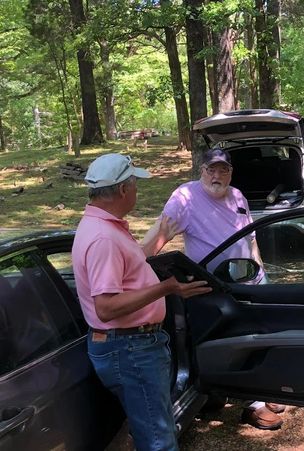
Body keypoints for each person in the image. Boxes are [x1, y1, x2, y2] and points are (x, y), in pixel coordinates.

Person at [72, 153, 212, 451]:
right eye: (135, 184)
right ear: (123, 190)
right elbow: (106, 307)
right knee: (157, 440)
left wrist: (159, 238)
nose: (138, 191)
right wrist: (167, 288)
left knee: (150, 429)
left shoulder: (104, 228)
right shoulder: (104, 239)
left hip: (130, 347)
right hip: (130, 350)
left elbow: (129, 270)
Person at [142, 148, 283, 431]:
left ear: (231, 172)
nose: (217, 176)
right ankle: (249, 404)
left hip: (249, 280)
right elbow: (157, 236)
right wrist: (138, 265)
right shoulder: (185, 197)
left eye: (223, 170)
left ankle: (259, 391)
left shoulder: (238, 196)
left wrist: (260, 269)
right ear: (201, 170)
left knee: (260, 336)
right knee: (231, 342)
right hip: (210, 286)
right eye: (211, 170)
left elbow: (250, 237)